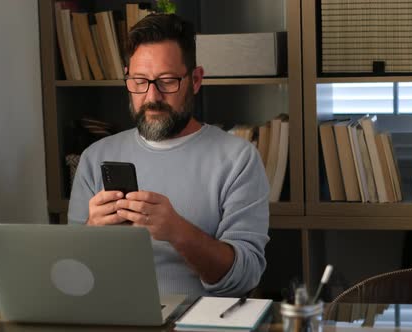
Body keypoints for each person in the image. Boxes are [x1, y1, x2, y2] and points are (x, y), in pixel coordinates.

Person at [67, 13, 270, 297]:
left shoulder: (238, 158)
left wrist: (177, 231)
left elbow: (244, 278)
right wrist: (91, 232)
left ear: (196, 80)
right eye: (139, 81)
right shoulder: (95, 156)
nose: (151, 97)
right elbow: (72, 276)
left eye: (167, 81)